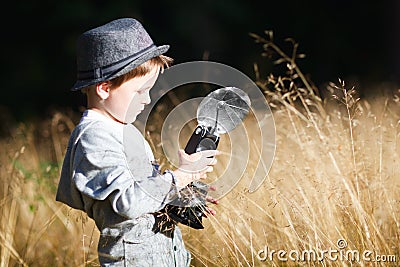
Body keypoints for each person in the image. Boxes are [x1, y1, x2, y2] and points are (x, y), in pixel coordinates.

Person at [56, 17, 219, 266]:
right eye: (140, 91)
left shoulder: (124, 129)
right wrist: (179, 176)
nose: (147, 99)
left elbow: (144, 188)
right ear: (104, 88)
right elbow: (129, 201)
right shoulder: (94, 136)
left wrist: (180, 193)